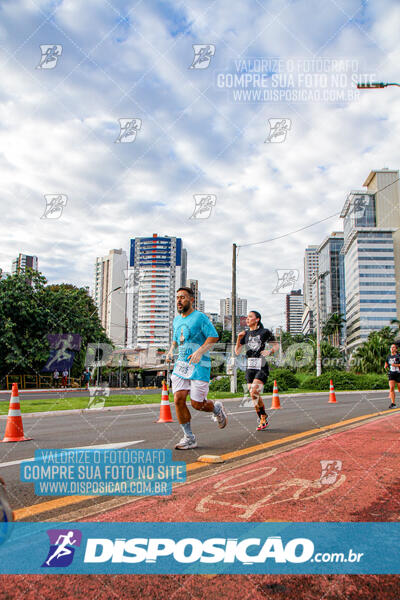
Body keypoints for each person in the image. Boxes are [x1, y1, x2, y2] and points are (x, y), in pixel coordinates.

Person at [166, 287, 227, 450]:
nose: (179, 300)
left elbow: (214, 336)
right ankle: (189, 437)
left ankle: (216, 408)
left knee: (197, 404)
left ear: (192, 300)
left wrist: (199, 352)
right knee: (178, 400)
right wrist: (171, 350)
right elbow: (175, 340)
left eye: (183, 297)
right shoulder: (176, 320)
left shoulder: (200, 317)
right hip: (181, 366)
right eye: (177, 297)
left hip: (199, 365)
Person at [235, 311, 279, 430]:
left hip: (261, 365)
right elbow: (237, 352)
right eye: (247, 317)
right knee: (253, 395)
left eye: (250, 317)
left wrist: (269, 351)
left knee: (254, 391)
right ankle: (262, 417)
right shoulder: (245, 334)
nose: (247, 319)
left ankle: (263, 418)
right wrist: (239, 338)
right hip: (250, 367)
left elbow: (276, 346)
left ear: (257, 319)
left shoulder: (264, 332)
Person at [384, 343, 400, 408]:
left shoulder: (399, 356)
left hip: (398, 373)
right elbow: (386, 362)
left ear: (396, 349)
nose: (392, 348)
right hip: (391, 373)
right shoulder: (388, 356)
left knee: (399, 389)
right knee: (391, 388)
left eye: (393, 347)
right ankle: (393, 404)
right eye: (391, 347)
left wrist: (396, 365)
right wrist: (385, 365)